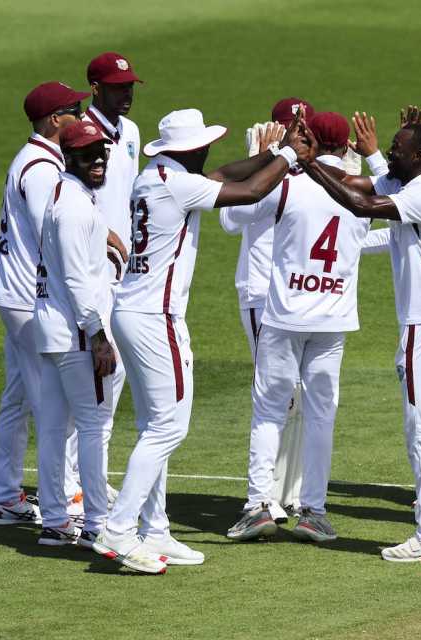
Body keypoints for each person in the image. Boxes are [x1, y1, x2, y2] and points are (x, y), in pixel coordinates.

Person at [90, 108, 313, 573]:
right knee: (167, 428)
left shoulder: (155, 176)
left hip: (134, 311)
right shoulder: (178, 184)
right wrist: (290, 157)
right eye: (205, 144)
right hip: (156, 317)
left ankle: (155, 529)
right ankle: (120, 528)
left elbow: (225, 173)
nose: (210, 150)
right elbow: (249, 191)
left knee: (154, 425)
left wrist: (273, 152)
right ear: (191, 149)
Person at [303, 119, 421, 563]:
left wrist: (307, 164)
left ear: (419, 156)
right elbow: (360, 184)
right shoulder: (415, 183)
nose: (390, 154)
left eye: (397, 149)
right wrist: (328, 161)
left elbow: (359, 203)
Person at [224, 112, 370, 544]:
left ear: (310, 139)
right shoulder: (363, 191)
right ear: (346, 145)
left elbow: (233, 216)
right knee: (321, 415)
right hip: (334, 319)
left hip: (284, 316)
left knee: (269, 410)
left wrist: (267, 158)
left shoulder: (288, 184)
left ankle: (258, 505)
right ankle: (314, 512)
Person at [0, 81, 88, 526]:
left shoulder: (33, 158)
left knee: (18, 398)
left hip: (14, 292)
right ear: (54, 120)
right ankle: (64, 503)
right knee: (54, 403)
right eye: (74, 110)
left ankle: (7, 496)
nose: (81, 116)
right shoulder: (43, 168)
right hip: (29, 296)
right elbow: (56, 231)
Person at [218, 97, 316, 522]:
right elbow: (229, 220)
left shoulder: (313, 172)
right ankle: (264, 495)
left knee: (301, 396)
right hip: (261, 294)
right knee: (280, 395)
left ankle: (289, 491)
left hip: (302, 296)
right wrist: (259, 162)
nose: (300, 134)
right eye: (292, 128)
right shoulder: (267, 171)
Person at [60, 51, 142, 513]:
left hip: (124, 274)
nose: (125, 94)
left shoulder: (131, 133)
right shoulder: (79, 134)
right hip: (92, 274)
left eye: (128, 86)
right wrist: (104, 233)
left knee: (113, 381)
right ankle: (71, 482)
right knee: (91, 383)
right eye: (116, 87)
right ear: (95, 89)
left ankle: (92, 477)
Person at [32, 120, 120, 546]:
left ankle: (54, 521)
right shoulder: (72, 207)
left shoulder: (67, 197)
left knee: (53, 427)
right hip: (77, 333)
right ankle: (96, 524)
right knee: (93, 426)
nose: (97, 160)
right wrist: (98, 334)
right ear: (68, 157)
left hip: (55, 330)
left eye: (101, 152)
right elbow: (75, 278)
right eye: (87, 154)